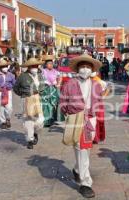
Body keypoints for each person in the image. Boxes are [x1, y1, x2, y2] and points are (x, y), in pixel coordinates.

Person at [60, 54, 103, 199]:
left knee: (86, 148)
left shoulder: (96, 84)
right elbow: (63, 102)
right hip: (75, 118)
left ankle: (78, 169)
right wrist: (68, 116)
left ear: (92, 69)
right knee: (81, 147)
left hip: (91, 119)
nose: (85, 69)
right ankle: (85, 183)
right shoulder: (70, 83)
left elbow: (99, 101)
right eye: (82, 66)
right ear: (78, 68)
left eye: (88, 67)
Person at [13, 58, 46, 149]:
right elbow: (16, 88)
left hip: (38, 98)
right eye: (33, 66)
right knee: (28, 120)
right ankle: (30, 139)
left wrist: (41, 94)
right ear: (29, 67)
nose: (35, 67)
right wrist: (23, 95)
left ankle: (35, 132)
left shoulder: (40, 76)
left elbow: (43, 86)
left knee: (40, 120)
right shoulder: (22, 76)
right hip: (27, 98)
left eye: (36, 66)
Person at [0, 58, 16, 129]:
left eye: (6, 66)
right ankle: (3, 121)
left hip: (8, 91)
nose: (5, 68)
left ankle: (8, 118)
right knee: (1, 108)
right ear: (0, 67)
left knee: (9, 107)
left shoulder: (11, 75)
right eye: (3, 66)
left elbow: (14, 83)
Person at [41, 55, 61, 127]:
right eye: (49, 64)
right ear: (46, 65)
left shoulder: (55, 71)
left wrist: (58, 84)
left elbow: (59, 77)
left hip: (53, 89)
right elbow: (40, 79)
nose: (51, 65)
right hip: (45, 89)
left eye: (51, 64)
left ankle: (52, 119)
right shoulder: (43, 71)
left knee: (53, 104)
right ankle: (46, 121)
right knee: (45, 105)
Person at [91, 71, 111, 144]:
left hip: (98, 104)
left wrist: (103, 96)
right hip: (88, 104)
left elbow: (108, 89)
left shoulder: (99, 81)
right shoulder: (85, 80)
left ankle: (97, 137)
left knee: (99, 120)